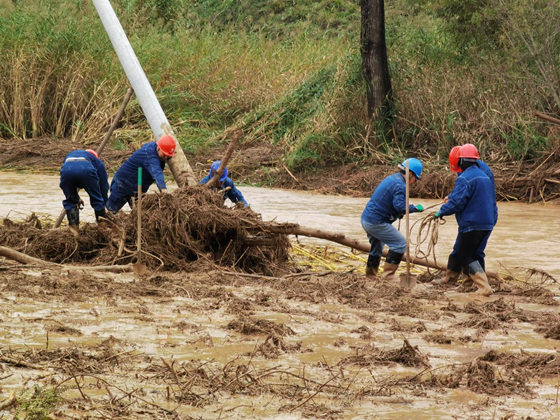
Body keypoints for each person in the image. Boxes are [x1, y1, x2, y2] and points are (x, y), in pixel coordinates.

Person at [433, 144, 496, 296]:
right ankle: (467, 284)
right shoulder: (484, 176)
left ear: (460, 161)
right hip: (487, 222)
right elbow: (470, 196)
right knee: (474, 253)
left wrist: (441, 212)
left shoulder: (465, 178)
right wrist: (452, 197)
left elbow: (457, 203)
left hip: (472, 223)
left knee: (464, 255)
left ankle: (484, 287)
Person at [360, 158, 425, 280]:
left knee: (377, 246)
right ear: (410, 174)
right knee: (400, 244)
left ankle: (370, 276)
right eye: (416, 178)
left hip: (367, 219)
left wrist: (397, 213)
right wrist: (414, 208)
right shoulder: (400, 185)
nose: (415, 182)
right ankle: (388, 278)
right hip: (376, 222)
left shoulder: (393, 179)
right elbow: (400, 206)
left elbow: (390, 203)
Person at [106, 135, 176, 213]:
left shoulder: (157, 152)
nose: (166, 157)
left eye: (168, 156)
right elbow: (157, 172)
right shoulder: (150, 155)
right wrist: (163, 190)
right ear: (158, 148)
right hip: (123, 184)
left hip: (137, 189)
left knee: (142, 214)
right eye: (164, 154)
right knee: (110, 211)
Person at [59, 148, 109, 236]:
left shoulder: (71, 154)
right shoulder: (97, 161)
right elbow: (103, 185)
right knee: (97, 199)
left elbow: (69, 180)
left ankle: (74, 233)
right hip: (86, 170)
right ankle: (103, 230)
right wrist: (104, 203)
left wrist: (76, 198)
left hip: (66, 170)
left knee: (70, 200)